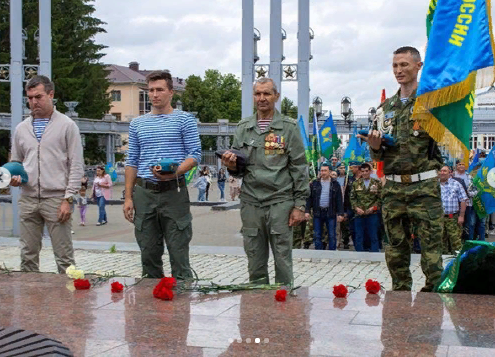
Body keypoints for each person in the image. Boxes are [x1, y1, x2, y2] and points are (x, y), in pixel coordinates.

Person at [360, 46, 444, 292]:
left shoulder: (432, 103)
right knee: (395, 248)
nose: (399, 70)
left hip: (424, 186)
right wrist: (374, 146)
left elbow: (447, 137)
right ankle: (400, 297)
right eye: (395, 66)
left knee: (431, 249)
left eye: (404, 65)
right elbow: (379, 154)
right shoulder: (385, 109)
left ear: (419, 66)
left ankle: (434, 299)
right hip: (394, 188)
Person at [221, 77, 308, 285]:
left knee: (282, 257)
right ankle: (257, 305)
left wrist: (299, 205)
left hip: (280, 202)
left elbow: (299, 166)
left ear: (276, 96)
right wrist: (230, 165)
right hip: (251, 202)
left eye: (267, 93)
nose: (262, 98)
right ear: (253, 97)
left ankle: (284, 300)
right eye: (258, 94)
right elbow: (238, 170)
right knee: (254, 257)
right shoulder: (243, 127)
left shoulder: (288, 127)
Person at [123, 70, 201, 279]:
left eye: (159, 90)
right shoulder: (137, 124)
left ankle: (183, 299)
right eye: (151, 90)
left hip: (173, 192)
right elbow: (131, 162)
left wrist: (175, 172)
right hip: (145, 193)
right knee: (148, 252)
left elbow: (195, 154)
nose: (155, 95)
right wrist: (128, 197)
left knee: (178, 252)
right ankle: (151, 303)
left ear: (171, 92)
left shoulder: (185, 120)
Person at [10, 75, 84, 273]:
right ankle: (29, 301)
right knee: (27, 257)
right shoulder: (21, 129)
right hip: (28, 198)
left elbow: (76, 165)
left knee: (64, 258)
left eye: (39, 97)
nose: (34, 102)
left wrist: (68, 198)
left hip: (56, 198)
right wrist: (14, 176)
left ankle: (68, 302)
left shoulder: (67, 125)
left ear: (51, 95)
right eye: (30, 97)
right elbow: (16, 161)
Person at [306, 164, 344, 250]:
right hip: (318, 212)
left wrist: (340, 213)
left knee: (331, 234)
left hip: (330, 212)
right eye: (321, 170)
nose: (323, 172)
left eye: (325, 170)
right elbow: (309, 198)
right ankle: (319, 252)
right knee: (317, 234)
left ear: (329, 172)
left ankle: (332, 253)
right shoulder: (315, 183)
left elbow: (339, 200)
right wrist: (307, 211)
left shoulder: (335, 184)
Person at [350, 163, 382, 252]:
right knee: (359, 236)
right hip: (359, 214)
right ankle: (359, 255)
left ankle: (374, 255)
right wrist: (356, 208)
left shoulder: (376, 183)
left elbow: (380, 199)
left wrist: (374, 208)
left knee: (373, 236)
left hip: (372, 213)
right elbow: (352, 198)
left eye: (366, 171)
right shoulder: (356, 183)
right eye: (362, 171)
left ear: (370, 171)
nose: (364, 173)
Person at [439, 166, 468, 254]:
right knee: (440, 243)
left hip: (452, 218)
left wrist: (461, 216)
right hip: (438, 219)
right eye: (441, 171)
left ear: (449, 172)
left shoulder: (456, 184)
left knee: (456, 243)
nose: (442, 172)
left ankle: (458, 264)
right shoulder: (433, 185)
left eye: (445, 171)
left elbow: (463, 200)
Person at [453, 160, 475, 240]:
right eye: (459, 164)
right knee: (456, 224)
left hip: (467, 204)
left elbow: (475, 191)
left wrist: (469, 193)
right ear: (456, 166)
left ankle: (468, 242)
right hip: (455, 205)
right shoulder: (451, 176)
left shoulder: (469, 177)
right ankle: (457, 242)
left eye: (463, 164)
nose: (461, 166)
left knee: (468, 225)